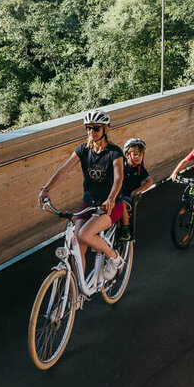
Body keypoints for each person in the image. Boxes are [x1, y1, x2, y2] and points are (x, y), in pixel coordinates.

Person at [38, 108, 125, 280]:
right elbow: (64, 170)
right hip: (88, 203)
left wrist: (111, 198)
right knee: (78, 249)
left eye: (96, 128)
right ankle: (78, 293)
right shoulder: (83, 150)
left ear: (106, 129)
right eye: (88, 128)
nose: (91, 132)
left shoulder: (114, 152)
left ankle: (114, 258)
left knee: (84, 234)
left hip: (110, 205)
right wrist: (46, 189)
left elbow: (118, 178)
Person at [118, 137, 153, 242]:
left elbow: (150, 181)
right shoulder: (121, 165)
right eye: (135, 154)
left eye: (140, 154)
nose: (138, 157)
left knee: (121, 204)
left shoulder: (139, 169)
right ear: (127, 154)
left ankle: (126, 229)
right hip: (117, 193)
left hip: (128, 197)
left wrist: (137, 190)